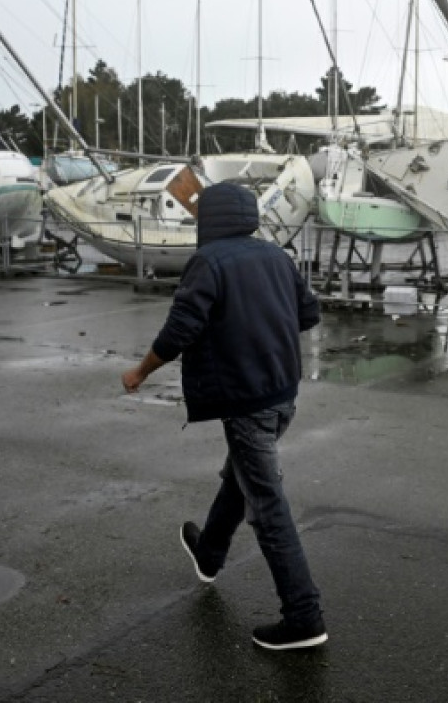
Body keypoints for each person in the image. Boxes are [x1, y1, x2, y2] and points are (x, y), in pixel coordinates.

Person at [122, 181, 326, 651]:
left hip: (246, 399)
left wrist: (140, 371)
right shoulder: (277, 257)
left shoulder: (208, 262)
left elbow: (180, 330)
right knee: (242, 478)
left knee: (267, 504)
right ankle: (209, 553)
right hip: (283, 393)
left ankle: (304, 616)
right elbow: (308, 314)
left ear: (208, 219)